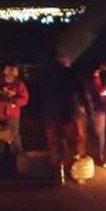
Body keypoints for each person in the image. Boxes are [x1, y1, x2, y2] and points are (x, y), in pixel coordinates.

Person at [38, 50, 88, 185]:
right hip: (69, 113)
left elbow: (38, 96)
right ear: (63, 60)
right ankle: (75, 172)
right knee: (76, 141)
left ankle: (59, 172)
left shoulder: (44, 75)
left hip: (50, 116)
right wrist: (87, 109)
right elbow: (82, 92)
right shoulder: (70, 73)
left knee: (55, 144)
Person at [0, 63, 29, 155]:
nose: (7, 74)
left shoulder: (19, 84)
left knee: (14, 135)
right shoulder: (0, 84)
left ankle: (17, 154)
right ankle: (1, 155)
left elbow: (24, 99)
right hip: (1, 114)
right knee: (1, 135)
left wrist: (12, 100)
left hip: (12, 114)